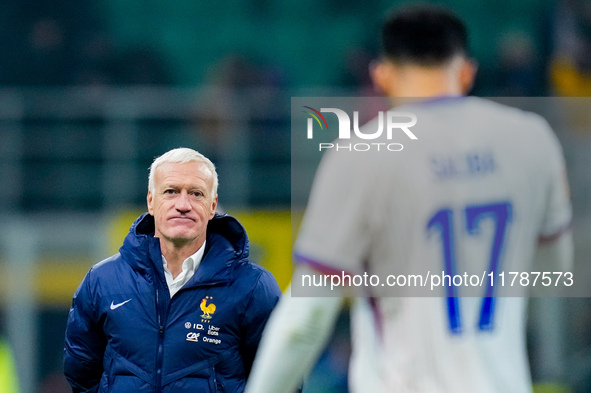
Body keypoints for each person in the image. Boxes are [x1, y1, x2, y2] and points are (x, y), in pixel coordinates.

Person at [246, 4, 573, 393]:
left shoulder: (361, 153)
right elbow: (554, 270)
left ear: (381, 75)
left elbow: (306, 321)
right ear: (467, 72)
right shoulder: (532, 139)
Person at [64, 147, 281, 393]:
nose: (183, 204)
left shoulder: (253, 287)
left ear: (212, 206)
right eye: (171, 191)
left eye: (196, 193)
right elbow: (81, 374)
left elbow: (281, 378)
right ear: (151, 201)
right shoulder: (103, 281)